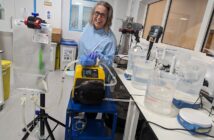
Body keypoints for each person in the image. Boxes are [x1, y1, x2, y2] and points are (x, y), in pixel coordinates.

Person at [78, 1, 116, 66]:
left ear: (108, 18)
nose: (98, 17)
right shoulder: (88, 26)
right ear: (93, 14)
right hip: (79, 68)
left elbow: (109, 63)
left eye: (103, 15)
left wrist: (99, 57)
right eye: (97, 13)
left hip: (95, 74)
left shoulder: (110, 39)